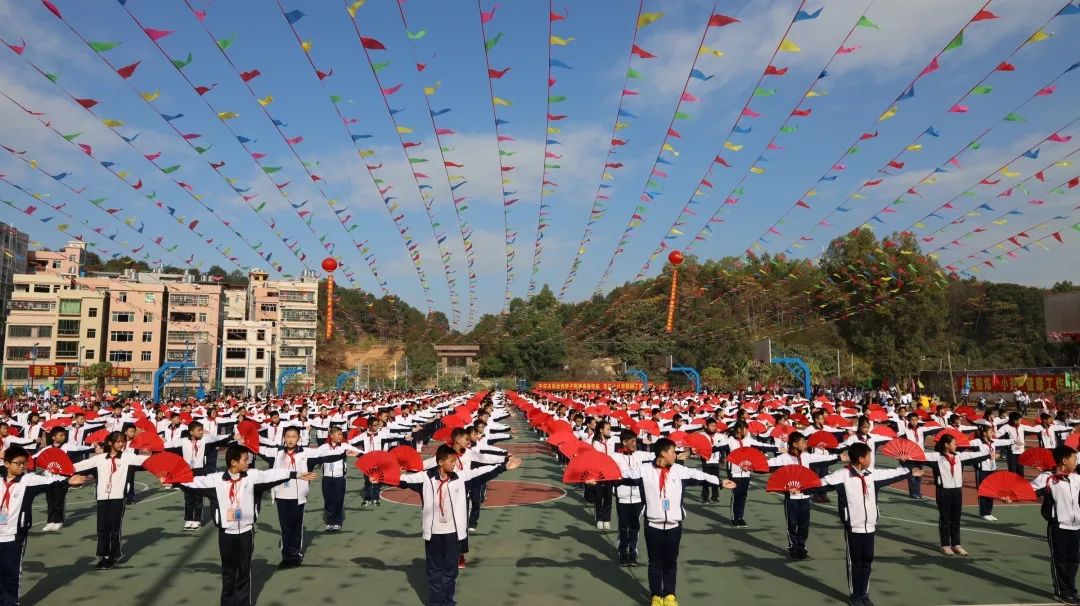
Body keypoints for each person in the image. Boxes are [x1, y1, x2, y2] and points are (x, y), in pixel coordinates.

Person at [599, 437, 736, 606]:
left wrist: (721, 481)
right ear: (663, 453)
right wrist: (598, 479)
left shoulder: (679, 471)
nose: (675, 455)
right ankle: (656, 596)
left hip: (674, 526)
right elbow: (619, 477)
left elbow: (699, 475)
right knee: (655, 562)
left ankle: (670, 594)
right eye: (673, 452)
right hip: (653, 525)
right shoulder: (643, 470)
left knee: (671, 562)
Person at [175, 445, 313, 606]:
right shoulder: (215, 480)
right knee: (228, 573)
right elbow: (191, 482)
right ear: (234, 462)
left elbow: (271, 474)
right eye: (245, 459)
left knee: (243, 573)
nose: (248, 462)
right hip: (226, 534)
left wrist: (296, 474)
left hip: (246, 533)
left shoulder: (253, 477)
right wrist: (172, 481)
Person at [393, 444, 521, 606]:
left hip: (453, 533)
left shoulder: (462, 477)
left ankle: (447, 602)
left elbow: (481, 472)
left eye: (455, 461)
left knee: (450, 571)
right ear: (440, 462)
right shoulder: (424, 478)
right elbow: (401, 480)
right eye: (451, 461)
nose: (455, 464)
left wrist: (503, 467)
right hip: (433, 534)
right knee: (434, 571)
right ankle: (436, 602)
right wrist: (379, 479)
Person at [820, 442, 921, 606]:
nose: (871, 458)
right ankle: (855, 596)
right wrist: (799, 488)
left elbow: (892, 474)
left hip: (870, 526)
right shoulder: (842, 475)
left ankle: (864, 594)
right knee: (855, 562)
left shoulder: (872, 474)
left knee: (867, 560)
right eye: (869, 455)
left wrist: (908, 469)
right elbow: (820, 483)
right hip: (853, 526)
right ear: (861, 458)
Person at [0, 445, 87, 605]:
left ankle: (11, 603)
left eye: (24, 463)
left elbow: (51, 481)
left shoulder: (28, 480)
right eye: (17, 463)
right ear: (6, 464)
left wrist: (68, 480)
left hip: (14, 535)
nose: (22, 466)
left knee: (11, 573)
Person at [72, 430, 149, 569]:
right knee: (102, 527)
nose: (121, 444)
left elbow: (148, 461)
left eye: (123, 442)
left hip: (118, 497)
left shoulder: (128, 457)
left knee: (115, 527)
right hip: (102, 496)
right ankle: (103, 555)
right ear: (110, 443)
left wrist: (159, 459)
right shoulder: (99, 459)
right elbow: (79, 466)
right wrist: (60, 468)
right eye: (118, 441)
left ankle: (113, 556)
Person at [767, 431, 840, 560]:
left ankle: (802, 547)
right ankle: (793, 548)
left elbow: (823, 459)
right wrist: (753, 467)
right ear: (795, 444)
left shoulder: (806, 457)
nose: (805, 444)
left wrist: (838, 457)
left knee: (804, 525)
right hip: (791, 498)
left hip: (805, 496)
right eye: (803, 442)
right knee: (792, 524)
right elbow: (767, 464)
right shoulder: (784, 458)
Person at [923, 434, 993, 555]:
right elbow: (919, 456)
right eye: (954, 444)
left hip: (957, 491)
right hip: (943, 491)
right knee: (945, 519)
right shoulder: (936, 457)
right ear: (946, 444)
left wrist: (988, 456)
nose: (956, 446)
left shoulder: (960, 457)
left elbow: (974, 456)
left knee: (956, 518)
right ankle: (945, 545)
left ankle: (956, 544)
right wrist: (906, 459)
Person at [1031, 445, 1080, 605]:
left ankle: (1071, 591)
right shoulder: (1047, 478)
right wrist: (1012, 497)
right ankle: (1061, 592)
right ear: (1064, 461)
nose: (1076, 461)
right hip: (1058, 526)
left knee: (1073, 560)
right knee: (1060, 560)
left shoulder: (1076, 478)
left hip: (1076, 526)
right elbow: (1028, 490)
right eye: (1074, 459)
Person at [305, 426, 361, 532]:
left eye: (341, 434)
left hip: (339, 478)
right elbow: (313, 454)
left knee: (338, 500)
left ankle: (337, 521)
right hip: (326, 478)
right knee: (328, 500)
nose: (341, 436)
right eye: (338, 434)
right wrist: (299, 450)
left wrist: (359, 454)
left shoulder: (344, 446)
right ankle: (330, 521)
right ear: (331, 436)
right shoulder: (324, 447)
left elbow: (358, 451)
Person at [612, 429, 653, 566]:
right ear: (624, 442)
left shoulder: (640, 455)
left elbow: (655, 455)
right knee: (623, 528)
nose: (636, 444)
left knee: (635, 527)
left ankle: (632, 554)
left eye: (635, 441)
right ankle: (623, 554)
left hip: (637, 498)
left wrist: (674, 453)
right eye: (633, 441)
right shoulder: (614, 457)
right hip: (622, 498)